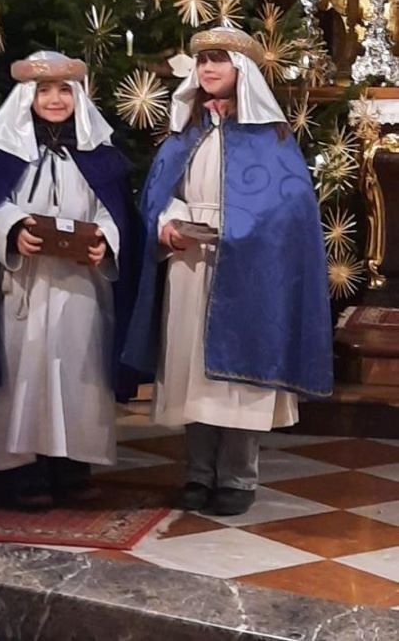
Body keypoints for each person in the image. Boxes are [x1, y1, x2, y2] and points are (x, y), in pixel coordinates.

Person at [123, 27, 332, 516]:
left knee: (240, 379)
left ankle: (237, 476)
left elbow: (291, 208)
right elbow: (161, 195)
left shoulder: (272, 138)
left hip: (249, 271)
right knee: (193, 373)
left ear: (243, 70)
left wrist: (245, 231)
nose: (208, 69)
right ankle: (198, 472)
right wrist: (168, 224)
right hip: (190, 265)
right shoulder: (185, 134)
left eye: (218, 60)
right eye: (202, 61)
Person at [0, 51, 139, 509]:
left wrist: (106, 241)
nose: (55, 100)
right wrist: (14, 229)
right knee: (24, 375)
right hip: (24, 287)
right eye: (44, 90)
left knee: (78, 375)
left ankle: (72, 468)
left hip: (80, 288)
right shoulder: (2, 158)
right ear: (27, 98)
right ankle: (23, 471)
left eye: (64, 90)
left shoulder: (100, 158)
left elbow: (113, 213)